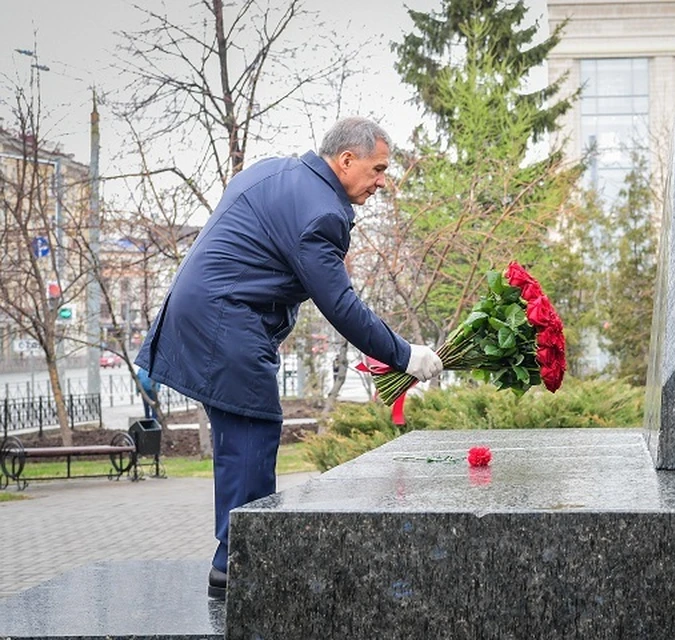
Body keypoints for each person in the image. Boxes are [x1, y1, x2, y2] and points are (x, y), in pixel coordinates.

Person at [134, 117, 443, 600]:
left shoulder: (275, 173)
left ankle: (237, 558)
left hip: (205, 312)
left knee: (242, 437)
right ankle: (239, 562)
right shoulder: (321, 212)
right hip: (225, 321)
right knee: (253, 432)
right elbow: (340, 305)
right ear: (346, 161)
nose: (383, 181)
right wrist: (405, 355)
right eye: (378, 169)